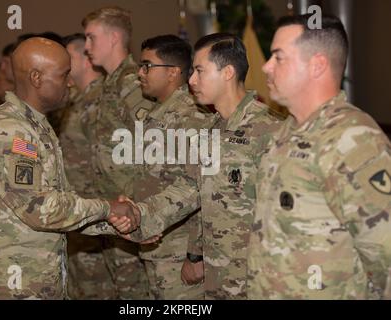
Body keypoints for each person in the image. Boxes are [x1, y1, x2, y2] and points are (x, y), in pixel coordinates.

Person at [0, 37, 138, 300]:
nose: (71, 83)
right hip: (3, 284)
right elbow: (40, 209)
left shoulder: (36, 126)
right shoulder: (10, 131)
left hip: (29, 278)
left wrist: (115, 224)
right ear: (37, 78)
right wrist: (108, 209)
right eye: (64, 76)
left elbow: (62, 204)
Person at [111, 33, 284, 299]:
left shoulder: (270, 130)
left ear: (227, 72)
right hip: (219, 281)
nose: (191, 80)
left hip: (259, 280)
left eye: (200, 71)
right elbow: (189, 190)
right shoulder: (212, 129)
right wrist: (139, 215)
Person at [247, 14, 391, 299]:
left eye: (278, 57)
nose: (265, 66)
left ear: (317, 65)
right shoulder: (286, 132)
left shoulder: (353, 141)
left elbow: (385, 258)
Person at [82, 6, 154, 299]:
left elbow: (156, 147)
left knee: (135, 294)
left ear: (113, 38)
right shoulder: (108, 84)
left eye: (91, 38)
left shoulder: (132, 83)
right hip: (113, 213)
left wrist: (146, 209)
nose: (87, 47)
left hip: (132, 213)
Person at [134, 34, 212, 299]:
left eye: (147, 66)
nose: (140, 73)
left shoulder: (192, 117)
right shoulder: (158, 114)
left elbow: (204, 186)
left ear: (173, 72)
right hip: (158, 247)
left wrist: (196, 254)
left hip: (180, 254)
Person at [54, 33, 116, 300]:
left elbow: (109, 163)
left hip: (96, 216)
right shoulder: (73, 102)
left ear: (86, 58)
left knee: (98, 290)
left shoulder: (102, 101)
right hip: (75, 215)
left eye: (69, 56)